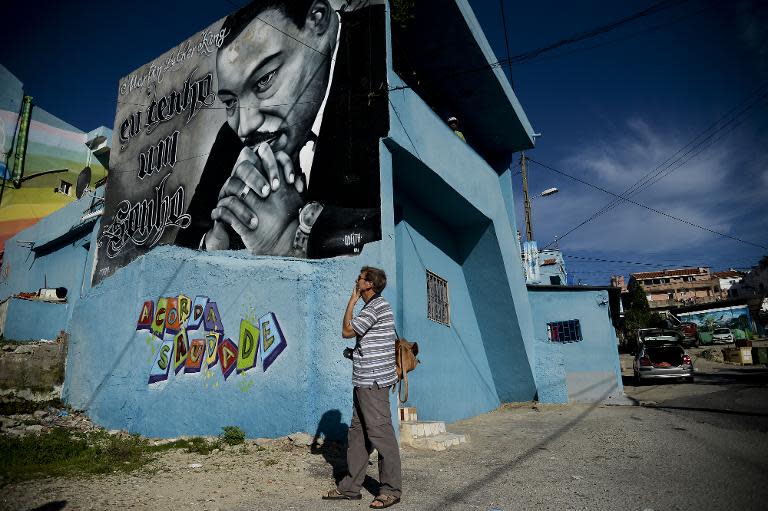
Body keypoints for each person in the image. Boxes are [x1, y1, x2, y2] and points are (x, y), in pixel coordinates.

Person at [175, 0, 386, 257]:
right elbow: (185, 245)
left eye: (264, 80)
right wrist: (215, 244)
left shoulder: (382, 46)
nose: (246, 126)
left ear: (317, 21)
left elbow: (402, 224)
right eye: (230, 102)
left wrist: (296, 237)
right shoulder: (230, 139)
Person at [323, 266, 402, 508]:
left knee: (381, 434)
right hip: (363, 381)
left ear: (369, 285)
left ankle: (390, 490)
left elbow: (347, 331)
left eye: (360, 278)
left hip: (373, 383)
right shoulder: (371, 308)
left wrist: (351, 300)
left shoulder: (377, 307)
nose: (357, 280)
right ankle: (350, 487)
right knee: (358, 436)